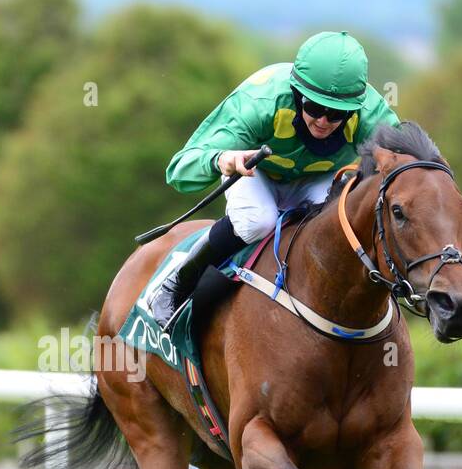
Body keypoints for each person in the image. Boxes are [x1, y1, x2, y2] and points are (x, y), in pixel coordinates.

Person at [151, 30, 401, 329]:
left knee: (341, 220)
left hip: (316, 178)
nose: (323, 121)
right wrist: (223, 159)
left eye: (336, 114)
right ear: (297, 95)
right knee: (258, 220)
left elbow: (408, 168)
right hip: (256, 172)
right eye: (314, 108)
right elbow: (179, 169)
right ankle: (175, 284)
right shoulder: (261, 102)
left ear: (354, 109)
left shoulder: (371, 114)